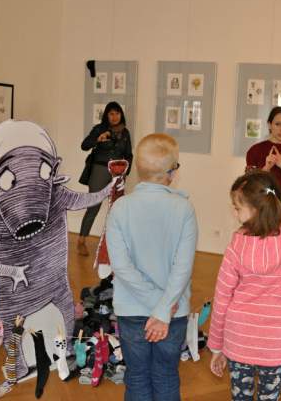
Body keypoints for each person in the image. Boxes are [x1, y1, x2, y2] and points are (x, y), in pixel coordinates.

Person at [106, 133, 197, 401]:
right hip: (172, 311)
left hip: (132, 311)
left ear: (137, 168)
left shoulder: (120, 208)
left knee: (136, 376)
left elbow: (121, 267)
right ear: (172, 172)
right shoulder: (184, 209)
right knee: (166, 375)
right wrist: (162, 307)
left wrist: (156, 305)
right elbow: (183, 267)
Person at [207, 171, 281, 401]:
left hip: (238, 340)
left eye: (237, 208)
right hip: (278, 345)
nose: (234, 212)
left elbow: (222, 298)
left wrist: (216, 346)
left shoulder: (236, 246)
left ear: (255, 210)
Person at [78, 101, 133, 256]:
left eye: (117, 113)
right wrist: (98, 139)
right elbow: (84, 145)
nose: (114, 117)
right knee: (93, 206)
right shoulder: (99, 129)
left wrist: (125, 173)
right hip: (99, 170)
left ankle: (113, 243)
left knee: (116, 209)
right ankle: (81, 241)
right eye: (111, 114)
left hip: (117, 172)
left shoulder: (125, 133)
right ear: (106, 115)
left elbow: (128, 155)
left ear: (121, 115)